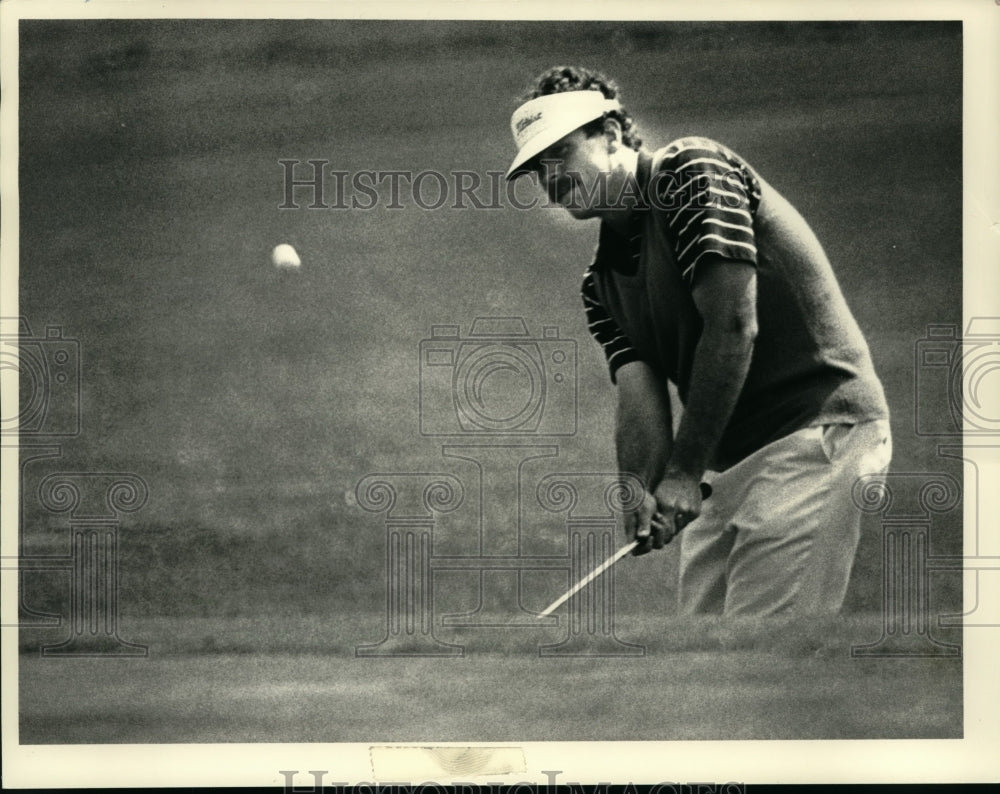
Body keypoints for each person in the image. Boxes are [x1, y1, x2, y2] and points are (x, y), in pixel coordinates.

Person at [504, 66, 892, 616]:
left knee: (759, 665)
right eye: (536, 169)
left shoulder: (689, 171)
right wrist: (637, 489)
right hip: (725, 464)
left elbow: (734, 324)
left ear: (611, 135)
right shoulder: (601, 284)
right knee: (700, 663)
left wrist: (683, 473)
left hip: (813, 433)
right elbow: (639, 395)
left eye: (561, 153)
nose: (550, 177)